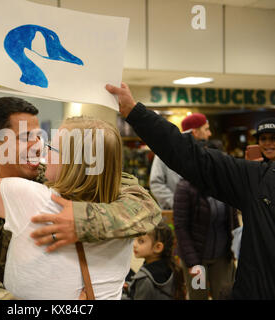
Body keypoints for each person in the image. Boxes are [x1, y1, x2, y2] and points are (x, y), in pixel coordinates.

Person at [0, 96, 162, 300]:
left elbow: (145, 206)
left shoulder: (62, 176)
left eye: (39, 137)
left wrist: (84, 221)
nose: (37, 147)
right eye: (25, 138)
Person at [106, 82, 275, 299]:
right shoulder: (258, 179)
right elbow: (192, 158)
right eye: (265, 139)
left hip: (223, 258)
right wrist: (135, 112)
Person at [173, 141, 239, 300]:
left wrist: (236, 249)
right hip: (196, 258)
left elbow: (233, 220)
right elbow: (180, 227)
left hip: (222, 258)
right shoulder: (185, 187)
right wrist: (193, 262)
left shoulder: (226, 184)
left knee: (224, 295)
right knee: (198, 296)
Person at [149, 113, 211, 210]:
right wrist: (178, 204)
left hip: (202, 214)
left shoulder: (205, 153)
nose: (209, 133)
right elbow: (156, 183)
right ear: (195, 132)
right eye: (206, 129)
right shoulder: (165, 152)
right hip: (174, 215)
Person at [123, 222, 185, 300]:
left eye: (141, 241)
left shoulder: (145, 279)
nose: (134, 244)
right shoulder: (170, 267)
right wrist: (130, 286)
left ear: (158, 247)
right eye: (135, 239)